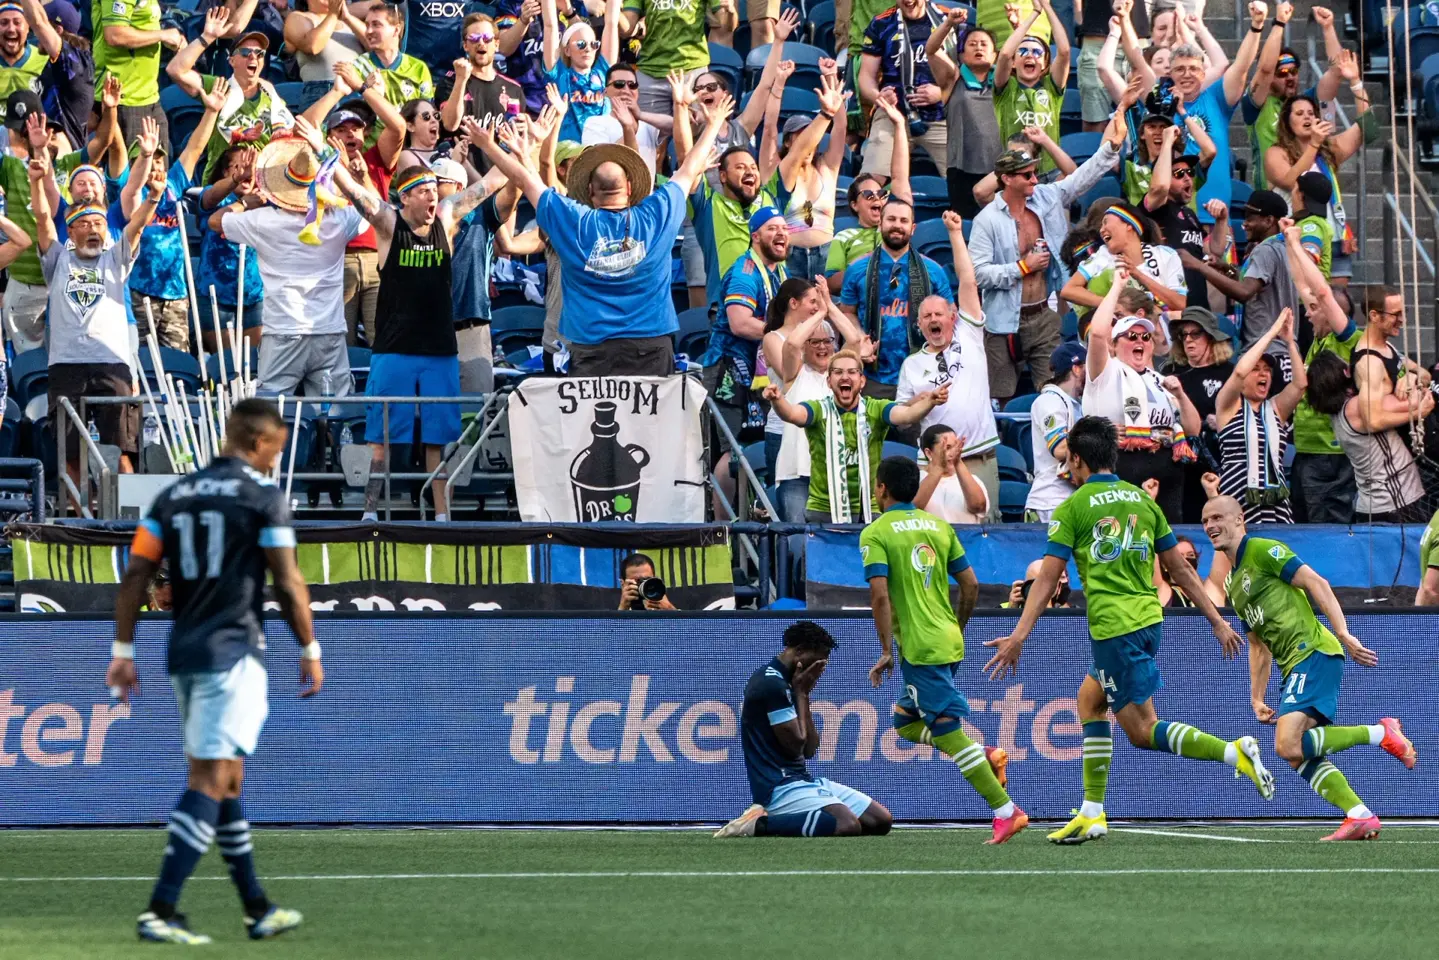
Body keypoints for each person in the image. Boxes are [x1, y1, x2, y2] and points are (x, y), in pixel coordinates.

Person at [984, 416, 1272, 846]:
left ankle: (1234, 752)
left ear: (1077, 459)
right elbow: (1177, 568)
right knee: (1089, 699)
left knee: (1142, 731)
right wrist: (1215, 619)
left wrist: (1019, 635)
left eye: (1069, 461)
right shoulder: (1142, 501)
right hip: (1148, 619)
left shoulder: (1073, 507)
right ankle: (1093, 813)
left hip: (1115, 628)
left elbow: (1047, 579)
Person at [106, 399, 321, 944]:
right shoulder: (263, 498)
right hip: (234, 652)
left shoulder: (172, 495)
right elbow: (288, 581)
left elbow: (136, 575)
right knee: (209, 779)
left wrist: (123, 649)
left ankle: (257, 908)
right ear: (257, 442)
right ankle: (160, 909)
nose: (278, 456)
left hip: (184, 652)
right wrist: (310, 647)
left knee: (227, 778)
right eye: (276, 446)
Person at [329, 110, 517, 524]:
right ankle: (371, 513)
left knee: (437, 439)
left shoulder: (446, 221)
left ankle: (443, 516)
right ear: (406, 196)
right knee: (381, 440)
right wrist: (331, 162)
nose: (434, 197)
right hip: (393, 350)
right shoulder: (388, 224)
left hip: (438, 350)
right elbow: (359, 197)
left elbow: (494, 182)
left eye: (436, 190)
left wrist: (508, 146)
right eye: (425, 191)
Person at [1202, 495, 1416, 840]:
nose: (1211, 526)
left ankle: (1381, 733)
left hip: (1313, 651)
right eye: (1205, 522)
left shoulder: (1262, 549)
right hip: (1294, 666)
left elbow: (1317, 583)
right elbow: (1258, 645)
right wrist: (1256, 697)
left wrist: (1344, 632)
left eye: (1217, 517)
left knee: (1286, 745)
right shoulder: (1231, 585)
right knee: (1297, 753)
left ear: (1240, 519)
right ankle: (1358, 814)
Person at [473, 98, 729, 378]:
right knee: (647, 422)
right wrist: (714, 124)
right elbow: (689, 168)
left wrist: (489, 145)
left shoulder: (573, 218)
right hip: (651, 345)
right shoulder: (657, 211)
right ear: (630, 187)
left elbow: (526, 180)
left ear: (590, 192)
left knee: (596, 423)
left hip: (589, 348)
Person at [862, 456, 1026, 843]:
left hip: (920, 649)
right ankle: (985, 754)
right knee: (904, 723)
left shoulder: (876, 532)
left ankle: (1007, 811)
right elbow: (970, 585)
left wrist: (886, 649)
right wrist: (957, 626)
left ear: (882, 488)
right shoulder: (938, 526)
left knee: (946, 731)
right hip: (949, 641)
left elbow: (880, 596)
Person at [970, 105, 1126, 404]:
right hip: (1002, 320)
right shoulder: (986, 220)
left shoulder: (1048, 197)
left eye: (1035, 173)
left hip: (1044, 313)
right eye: (1027, 175)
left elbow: (1084, 176)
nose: (1034, 179)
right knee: (999, 398)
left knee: (1057, 392)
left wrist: (1112, 147)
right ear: (1007, 179)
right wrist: (1021, 267)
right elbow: (979, 274)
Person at [33, 144, 159, 481]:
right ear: (71, 232)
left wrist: (153, 198)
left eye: (99, 224)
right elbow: (44, 219)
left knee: (121, 451)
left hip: (112, 363)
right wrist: (36, 182)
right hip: (66, 364)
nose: (93, 230)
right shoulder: (57, 259)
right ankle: (79, 521)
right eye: (85, 224)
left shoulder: (115, 259)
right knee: (70, 453)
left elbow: (135, 227)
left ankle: (124, 519)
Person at [219, 119, 363, 398]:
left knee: (272, 416)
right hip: (329, 332)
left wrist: (246, 203)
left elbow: (216, 222)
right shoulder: (338, 220)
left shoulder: (263, 220)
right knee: (333, 415)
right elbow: (372, 209)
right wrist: (347, 174)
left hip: (283, 332)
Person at [714, 620, 894, 838]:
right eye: (817, 660)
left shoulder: (790, 683)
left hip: (801, 779)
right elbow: (796, 747)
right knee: (846, 824)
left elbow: (810, 750)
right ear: (798, 651)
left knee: (880, 821)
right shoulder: (771, 684)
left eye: (824, 663)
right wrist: (801, 693)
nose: (820, 667)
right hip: (778, 785)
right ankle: (758, 824)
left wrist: (803, 694)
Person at [895, 211, 1000, 514]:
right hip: (933, 463)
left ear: (953, 316)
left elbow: (967, 281)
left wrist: (955, 233)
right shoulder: (912, 365)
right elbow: (901, 416)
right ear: (919, 325)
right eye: (926, 316)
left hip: (977, 455)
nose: (933, 319)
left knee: (984, 528)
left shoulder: (969, 335)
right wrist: (925, 401)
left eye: (939, 313)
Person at [765, 349, 945, 523]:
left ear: (862, 381)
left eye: (852, 372)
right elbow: (792, 414)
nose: (845, 377)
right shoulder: (818, 409)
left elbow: (907, 415)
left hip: (869, 510)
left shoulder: (876, 408)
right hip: (823, 510)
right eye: (838, 372)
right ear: (829, 381)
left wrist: (930, 402)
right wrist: (777, 400)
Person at [0, 87, 114, 353]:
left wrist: (110, 110)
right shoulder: (9, 167)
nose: (35, 136)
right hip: (24, 283)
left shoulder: (70, 165)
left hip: (66, 282)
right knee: (29, 369)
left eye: (41, 129)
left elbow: (103, 141)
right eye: (24, 131)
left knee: (65, 359)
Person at [1081, 270, 1200, 522]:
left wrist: (1180, 394)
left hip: (1167, 470)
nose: (1140, 341)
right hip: (1122, 465)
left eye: (1145, 336)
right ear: (1114, 345)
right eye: (1131, 336)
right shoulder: (1106, 371)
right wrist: (1117, 287)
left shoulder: (1159, 380)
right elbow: (1098, 334)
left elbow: (1192, 428)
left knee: (1168, 542)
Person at [124, 84, 227, 352]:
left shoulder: (173, 183)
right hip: (139, 291)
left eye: (160, 161)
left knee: (178, 360)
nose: (156, 166)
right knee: (142, 361)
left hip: (176, 294)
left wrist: (211, 112)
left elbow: (194, 149)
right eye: (149, 161)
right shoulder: (130, 190)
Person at [1283, 219, 1360, 524]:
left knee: (1325, 527)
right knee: (1303, 522)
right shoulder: (1319, 338)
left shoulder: (1347, 341)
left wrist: (1299, 247)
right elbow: (1302, 285)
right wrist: (1291, 241)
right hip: (1307, 450)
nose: (1306, 310)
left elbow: (1322, 293)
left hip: (1331, 457)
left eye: (1313, 308)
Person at [838, 196, 953, 400]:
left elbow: (951, 315)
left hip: (922, 376)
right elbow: (847, 312)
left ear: (913, 228)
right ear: (880, 223)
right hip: (872, 376)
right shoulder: (857, 269)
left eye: (903, 220)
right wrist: (859, 338)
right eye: (891, 219)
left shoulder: (933, 270)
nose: (897, 226)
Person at [166, 7, 296, 181]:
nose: (253, 57)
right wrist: (207, 38)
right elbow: (175, 70)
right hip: (221, 183)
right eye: (245, 53)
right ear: (231, 61)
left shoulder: (272, 98)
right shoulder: (219, 87)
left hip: (261, 183)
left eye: (259, 54)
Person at [764, 282, 854, 523]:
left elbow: (854, 340)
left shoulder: (838, 374)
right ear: (806, 347)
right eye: (816, 342)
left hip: (834, 472)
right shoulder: (796, 374)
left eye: (828, 342)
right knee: (798, 544)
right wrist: (821, 313)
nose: (823, 347)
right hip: (797, 473)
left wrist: (830, 308)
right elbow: (791, 345)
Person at [701, 205, 790, 445]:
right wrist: (785, 334)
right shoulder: (745, 272)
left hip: (762, 372)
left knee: (762, 445)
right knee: (736, 453)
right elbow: (739, 324)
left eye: (784, 228)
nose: (781, 233)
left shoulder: (782, 271)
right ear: (756, 237)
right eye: (772, 228)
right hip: (729, 373)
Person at [1166, 2, 1261, 219]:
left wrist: (1256, 26)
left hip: (1216, 210)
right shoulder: (1163, 107)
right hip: (1176, 213)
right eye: (1180, 69)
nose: (1187, 74)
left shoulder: (1216, 98)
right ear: (1170, 73)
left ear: (1203, 73)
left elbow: (1241, 66)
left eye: (1194, 69)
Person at [1213, 308, 1306, 524]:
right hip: (1237, 502)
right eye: (1256, 369)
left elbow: (1300, 385)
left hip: (1275, 505)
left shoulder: (1275, 409)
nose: (1263, 374)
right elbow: (1238, 372)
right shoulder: (1228, 406)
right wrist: (1272, 331)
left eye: (1267, 370)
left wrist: (1289, 342)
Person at [1182, 189, 1294, 362]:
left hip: (1265, 352)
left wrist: (1198, 266)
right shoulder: (1284, 247)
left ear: (1269, 220)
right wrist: (1228, 270)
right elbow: (1260, 287)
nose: (1245, 224)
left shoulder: (1265, 250)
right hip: (1284, 351)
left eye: (1250, 218)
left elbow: (1245, 292)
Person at [760, 68, 847, 282]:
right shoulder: (778, 171)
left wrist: (831, 79)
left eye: (811, 135)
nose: (808, 142)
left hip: (827, 255)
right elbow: (770, 128)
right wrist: (779, 83)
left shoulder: (827, 168)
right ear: (788, 142)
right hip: (790, 255)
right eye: (800, 137)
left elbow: (841, 126)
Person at [857, 0, 956, 175]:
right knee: (870, 181)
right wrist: (879, 97)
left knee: (962, 183)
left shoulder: (948, 19)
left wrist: (941, 93)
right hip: (893, 114)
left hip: (941, 115)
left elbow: (967, 72)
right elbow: (866, 78)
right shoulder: (881, 23)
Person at [924, 10, 1001, 220]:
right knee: (966, 228)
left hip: (998, 169)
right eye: (972, 44)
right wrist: (949, 23)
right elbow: (931, 50)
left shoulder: (1003, 82)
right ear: (962, 54)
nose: (978, 47)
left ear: (995, 54)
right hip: (962, 169)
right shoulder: (953, 79)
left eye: (984, 44)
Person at [1062, 200, 1187, 320]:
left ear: (1128, 225)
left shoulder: (1165, 255)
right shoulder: (1103, 255)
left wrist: (1138, 274)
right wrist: (1113, 306)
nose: (1101, 230)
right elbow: (1069, 290)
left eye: (1106, 222)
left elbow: (1180, 304)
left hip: (1160, 329)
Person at [93, 0, 187, 153]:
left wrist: (167, 38)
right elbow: (115, 34)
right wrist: (163, 35)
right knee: (136, 173)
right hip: (125, 96)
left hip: (148, 95)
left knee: (158, 173)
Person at [199, 143, 265, 349]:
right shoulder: (215, 194)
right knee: (225, 365)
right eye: (238, 166)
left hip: (253, 294)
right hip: (216, 294)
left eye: (251, 167)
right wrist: (241, 197)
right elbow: (208, 199)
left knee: (254, 363)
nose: (246, 172)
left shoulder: (264, 200)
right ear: (226, 171)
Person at [991, 0, 1070, 173]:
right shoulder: (1006, 88)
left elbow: (1064, 51)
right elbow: (1004, 54)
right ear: (1014, 63)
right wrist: (1034, 13)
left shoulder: (1052, 87)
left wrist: (1046, 7)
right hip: (1014, 170)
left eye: (1037, 53)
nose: (1030, 56)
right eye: (1023, 51)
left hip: (1049, 172)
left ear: (1044, 63)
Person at [443, 13, 524, 174]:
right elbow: (450, 124)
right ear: (466, 45)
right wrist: (461, 80)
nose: (481, 43)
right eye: (474, 38)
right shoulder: (451, 82)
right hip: (463, 177)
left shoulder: (514, 89)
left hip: (503, 177)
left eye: (487, 38)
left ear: (496, 44)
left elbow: (519, 141)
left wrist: (524, 126)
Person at [542, 0, 619, 143]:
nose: (588, 49)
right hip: (569, 153)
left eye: (593, 44)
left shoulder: (603, 72)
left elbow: (611, 23)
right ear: (567, 50)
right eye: (581, 44)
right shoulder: (559, 74)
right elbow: (549, 26)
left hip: (600, 149)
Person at [1025, 340, 1086, 521]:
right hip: (1049, 502)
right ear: (1076, 369)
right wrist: (1099, 437)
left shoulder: (1078, 404)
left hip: (1069, 500)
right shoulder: (1050, 401)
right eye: (1087, 366)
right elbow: (1060, 449)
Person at [283, 0, 367, 104]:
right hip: (322, 92)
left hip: (359, 89)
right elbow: (313, 47)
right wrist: (333, 14)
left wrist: (347, 17)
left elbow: (376, 45)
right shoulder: (297, 18)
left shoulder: (349, 21)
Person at [354, 2, 433, 108]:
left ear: (396, 30)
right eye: (367, 25)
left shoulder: (418, 68)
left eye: (376, 24)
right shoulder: (359, 66)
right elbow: (351, 114)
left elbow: (426, 114)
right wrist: (365, 90)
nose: (369, 31)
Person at [915, 425, 990, 522]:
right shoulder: (916, 479)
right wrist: (938, 469)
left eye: (955, 447)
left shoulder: (971, 479)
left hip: (964, 536)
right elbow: (912, 510)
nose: (952, 453)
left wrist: (958, 462)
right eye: (947, 448)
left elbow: (978, 507)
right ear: (929, 453)